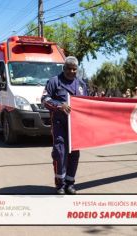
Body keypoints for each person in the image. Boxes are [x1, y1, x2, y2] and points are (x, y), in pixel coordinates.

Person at [41, 56, 88, 195]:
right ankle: (60, 185)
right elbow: (45, 99)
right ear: (64, 68)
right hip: (59, 124)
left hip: (76, 127)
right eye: (69, 69)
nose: (71, 71)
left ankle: (70, 183)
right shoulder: (54, 81)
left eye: (74, 69)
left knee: (74, 154)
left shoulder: (82, 84)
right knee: (60, 153)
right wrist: (59, 106)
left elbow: (87, 103)